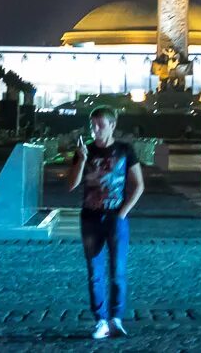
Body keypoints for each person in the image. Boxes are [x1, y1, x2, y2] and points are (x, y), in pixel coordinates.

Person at [65, 106, 144, 340]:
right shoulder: (85, 151)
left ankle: (116, 319)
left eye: (100, 125)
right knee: (94, 271)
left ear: (112, 125)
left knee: (118, 270)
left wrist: (123, 212)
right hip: (90, 217)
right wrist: (80, 160)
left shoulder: (124, 150)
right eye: (93, 125)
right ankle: (100, 320)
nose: (95, 130)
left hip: (115, 217)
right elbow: (71, 185)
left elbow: (138, 184)